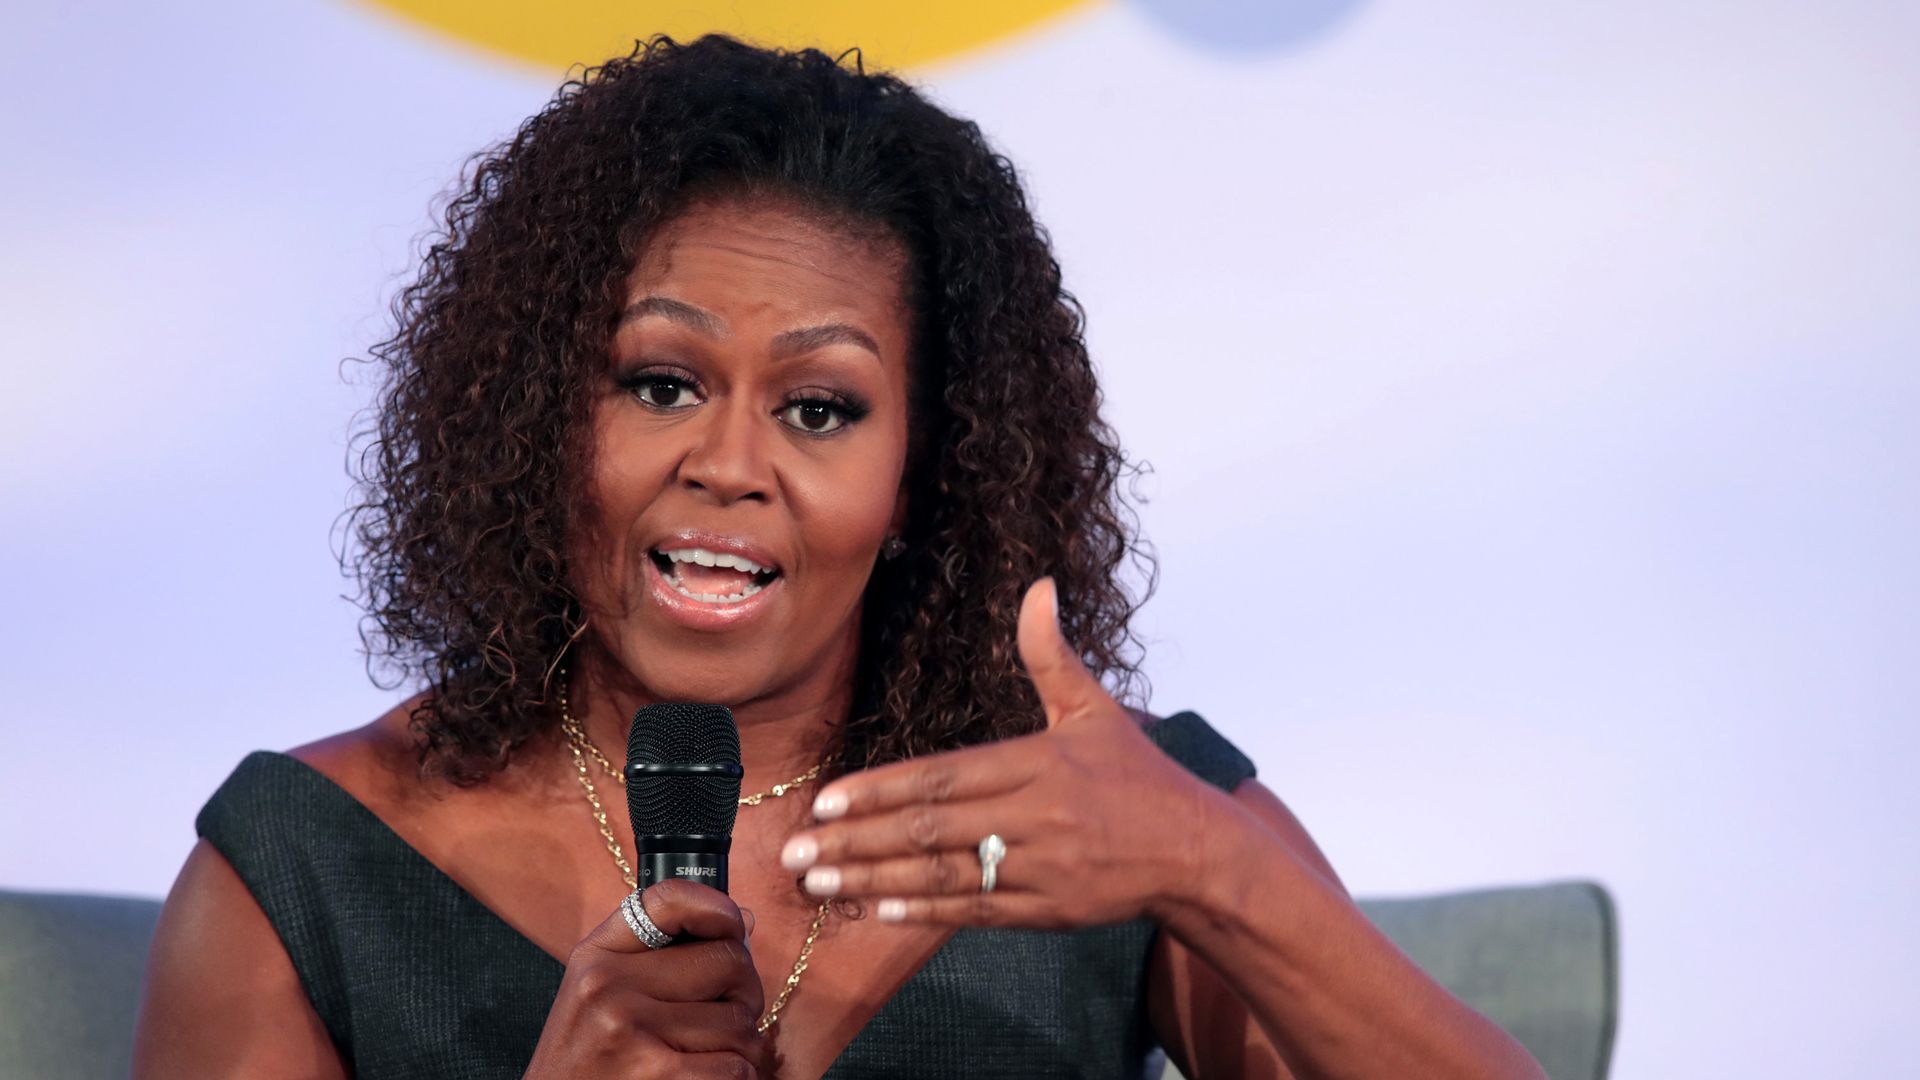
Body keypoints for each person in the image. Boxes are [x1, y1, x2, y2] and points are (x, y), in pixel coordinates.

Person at [131, 34, 1546, 1080]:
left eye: (821, 409)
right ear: (535, 417)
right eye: (661, 383)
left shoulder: (1113, 825)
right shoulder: (306, 872)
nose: (730, 462)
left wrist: (1211, 866)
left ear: (927, 467)